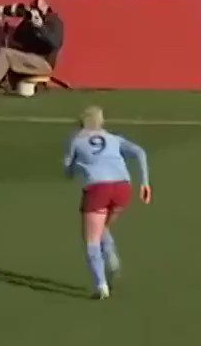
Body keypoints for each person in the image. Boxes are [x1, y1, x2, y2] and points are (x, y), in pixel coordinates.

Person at [63, 106, 151, 299]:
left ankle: (101, 285)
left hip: (97, 189)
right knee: (102, 226)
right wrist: (145, 183)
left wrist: (71, 172)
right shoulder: (114, 138)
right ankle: (111, 256)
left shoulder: (76, 140)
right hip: (122, 188)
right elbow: (140, 152)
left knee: (91, 240)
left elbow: (67, 167)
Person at [0, 0, 63, 93]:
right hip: (29, 58)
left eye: (35, 8)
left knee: (6, 54)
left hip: (44, 62)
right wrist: (27, 22)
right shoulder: (31, 19)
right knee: (4, 51)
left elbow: (54, 43)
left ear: (44, 8)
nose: (33, 10)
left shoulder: (54, 21)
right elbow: (18, 37)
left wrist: (40, 27)